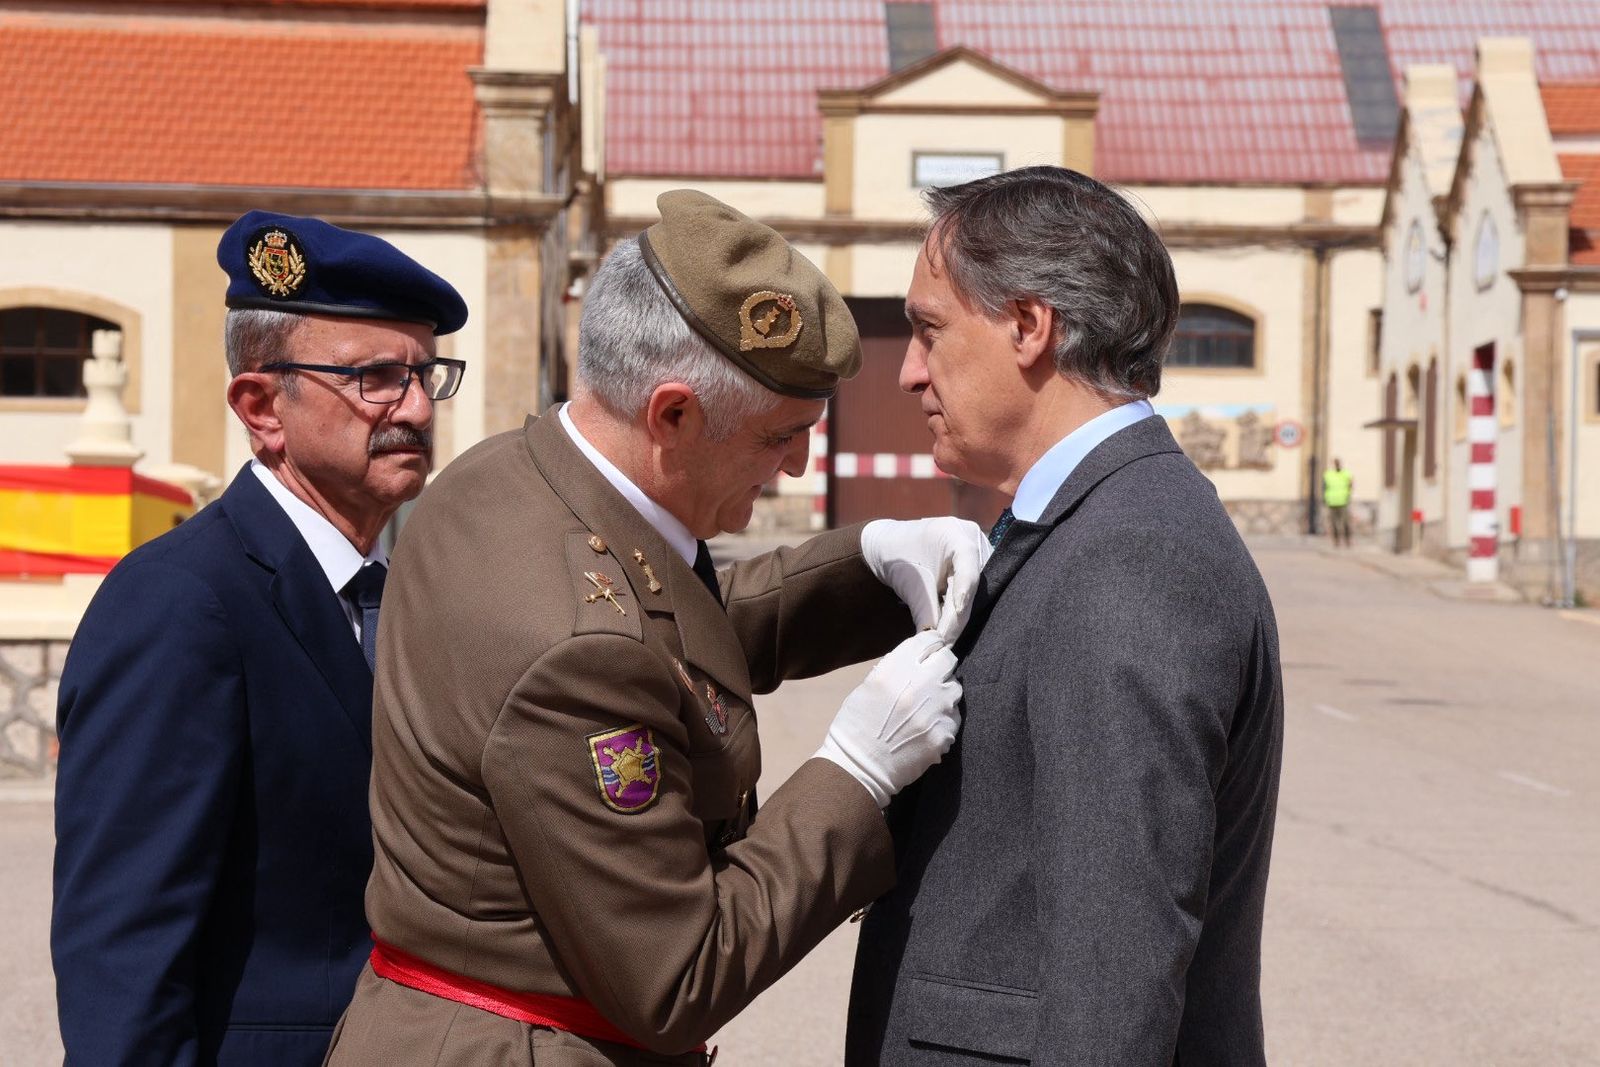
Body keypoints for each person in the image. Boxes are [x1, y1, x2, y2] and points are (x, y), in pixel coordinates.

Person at [325, 190, 986, 1066]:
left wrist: (867, 565)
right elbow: (678, 976)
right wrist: (852, 774)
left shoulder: (511, 474)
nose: (797, 466)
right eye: (779, 437)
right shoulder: (576, 651)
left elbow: (664, 623)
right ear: (672, 415)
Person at [846, 166, 1285, 1066]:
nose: (908, 371)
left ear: (1028, 325)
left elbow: (1117, 964)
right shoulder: (1089, 523)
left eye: (929, 330)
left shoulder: (1133, 555)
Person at [52, 211, 469, 1065]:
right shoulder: (180, 604)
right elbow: (123, 953)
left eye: (428, 373)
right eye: (377, 378)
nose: (418, 406)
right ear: (261, 405)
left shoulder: (408, 587)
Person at [1324, 457, 1354, 546]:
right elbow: (1324, 487)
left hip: (1343, 501)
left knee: (1345, 522)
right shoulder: (1328, 474)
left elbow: (1350, 484)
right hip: (1331, 501)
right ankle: (1336, 541)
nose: (1336, 465)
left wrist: (1348, 495)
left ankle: (1347, 540)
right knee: (1333, 523)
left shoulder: (1346, 473)